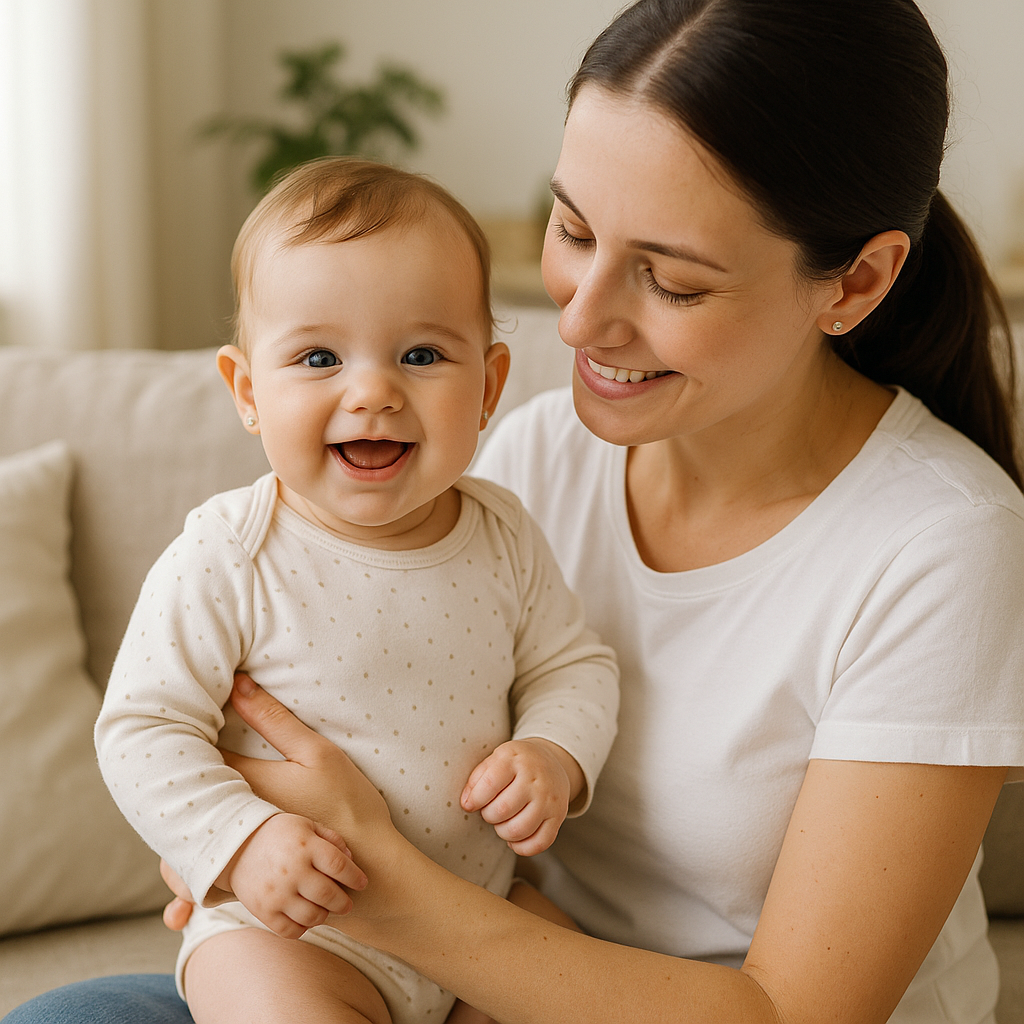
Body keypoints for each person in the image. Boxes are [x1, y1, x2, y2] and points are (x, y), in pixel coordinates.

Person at [6, 0, 1024, 1022]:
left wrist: (377, 879)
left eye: (669, 279)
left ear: (854, 281)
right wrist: (230, 839)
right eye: (572, 227)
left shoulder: (939, 542)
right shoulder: (534, 454)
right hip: (450, 964)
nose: (576, 318)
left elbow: (796, 1012)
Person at [91, 157, 620, 1024]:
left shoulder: (504, 533)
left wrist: (554, 752)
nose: (372, 391)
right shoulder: (230, 550)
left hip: (475, 915)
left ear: (487, 387)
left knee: (576, 983)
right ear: (248, 391)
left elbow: (576, 665)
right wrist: (237, 839)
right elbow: (143, 729)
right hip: (294, 930)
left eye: (420, 354)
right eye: (319, 357)